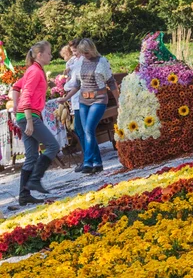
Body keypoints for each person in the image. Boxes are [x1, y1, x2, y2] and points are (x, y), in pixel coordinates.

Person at [11, 41, 60, 204]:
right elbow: (26, 96)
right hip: (28, 116)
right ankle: (35, 180)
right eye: (48, 53)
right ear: (39, 55)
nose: (51, 56)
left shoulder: (33, 71)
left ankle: (24, 195)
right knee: (53, 145)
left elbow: (16, 87)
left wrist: (15, 106)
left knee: (31, 156)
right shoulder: (35, 72)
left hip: (25, 115)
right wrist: (30, 120)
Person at [59, 39, 119, 174]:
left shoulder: (102, 61)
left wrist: (118, 100)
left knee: (88, 129)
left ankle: (87, 161)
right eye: (82, 53)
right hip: (83, 100)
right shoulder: (80, 62)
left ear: (92, 49)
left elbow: (111, 82)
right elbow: (77, 84)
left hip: (98, 99)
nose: (84, 55)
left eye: (86, 52)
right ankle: (97, 163)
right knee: (87, 131)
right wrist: (66, 97)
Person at [63, 39, 84, 171]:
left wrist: (65, 85)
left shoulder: (83, 61)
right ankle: (88, 157)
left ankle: (89, 157)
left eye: (75, 51)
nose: (74, 54)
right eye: (72, 52)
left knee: (81, 128)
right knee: (79, 129)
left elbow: (75, 83)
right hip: (76, 100)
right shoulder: (75, 61)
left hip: (83, 98)